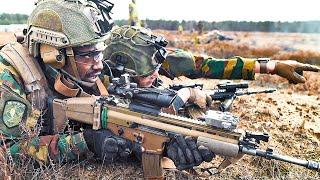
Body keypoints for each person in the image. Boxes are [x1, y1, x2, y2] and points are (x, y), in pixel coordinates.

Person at [0, 1, 213, 178]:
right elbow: (7, 153)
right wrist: (85, 142)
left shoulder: (81, 71)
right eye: (88, 54)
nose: (99, 64)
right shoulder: (10, 76)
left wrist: (163, 142)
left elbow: (130, 112)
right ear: (53, 54)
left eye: (99, 52)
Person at [104, 25, 320, 112]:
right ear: (124, 74)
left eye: (157, 69)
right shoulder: (96, 82)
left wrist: (272, 67)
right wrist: (188, 94)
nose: (156, 74)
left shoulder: (158, 60)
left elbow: (211, 66)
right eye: (147, 73)